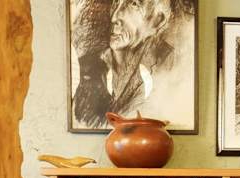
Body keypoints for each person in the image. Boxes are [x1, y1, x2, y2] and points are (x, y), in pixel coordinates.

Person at [73, 0, 176, 128]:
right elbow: (82, 122)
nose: (114, 17)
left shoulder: (172, 67)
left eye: (133, 4)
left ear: (157, 20)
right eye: (116, 2)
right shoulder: (90, 66)